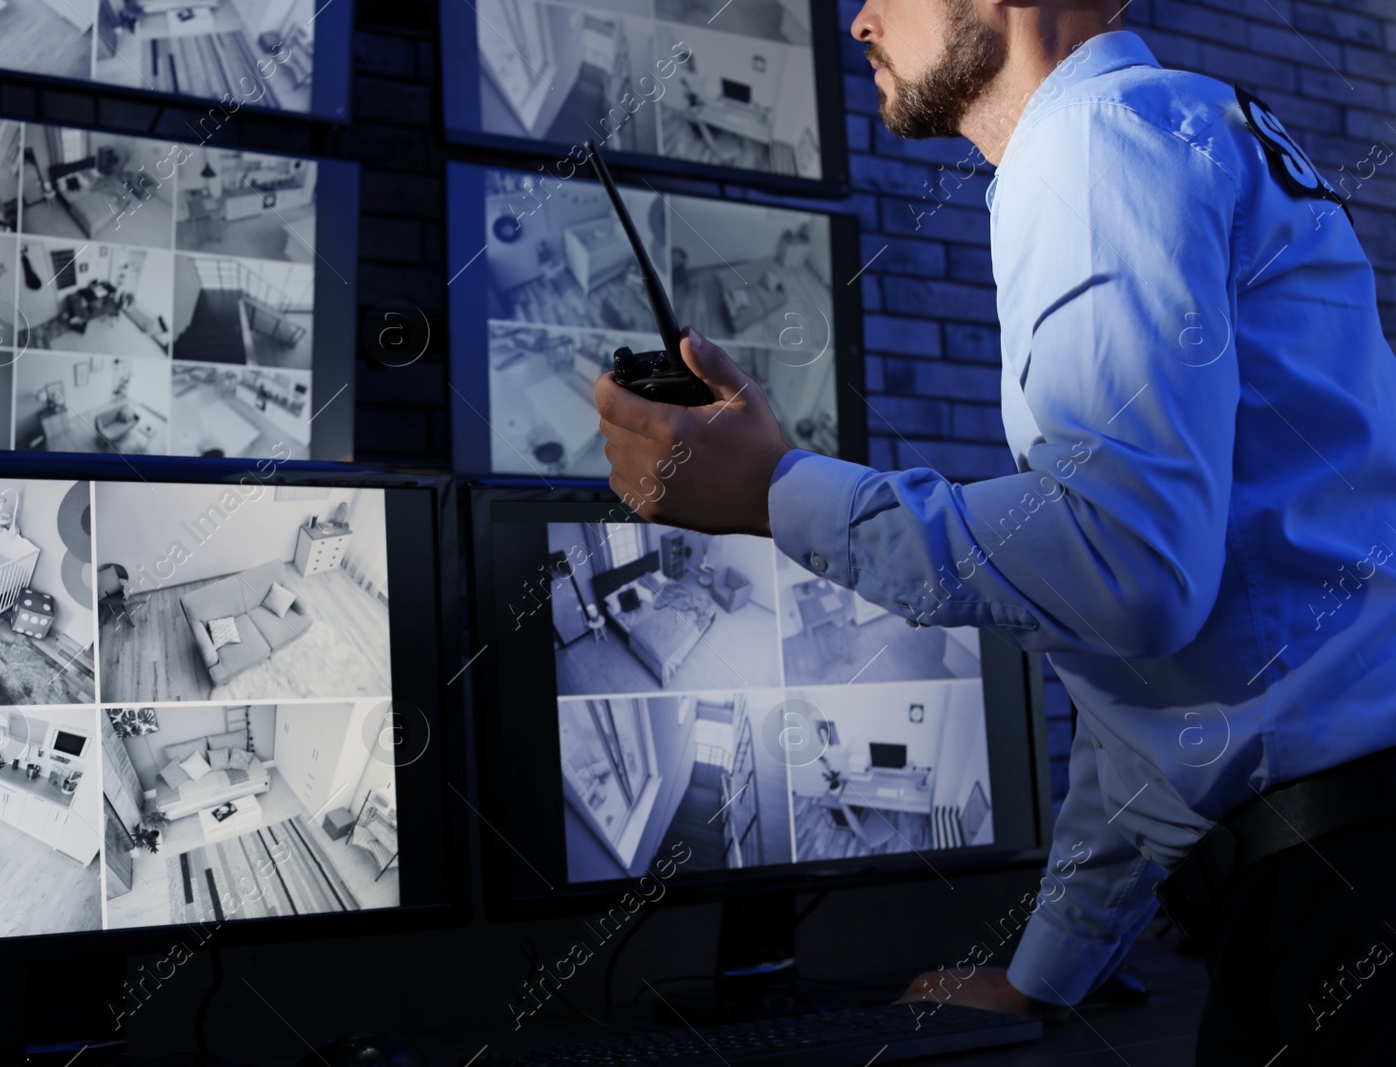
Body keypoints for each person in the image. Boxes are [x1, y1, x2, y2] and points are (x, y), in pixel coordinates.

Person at [592, 1, 1396, 1063]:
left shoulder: (1092, 142)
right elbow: (1162, 685)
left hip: (1339, 902)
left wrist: (773, 492)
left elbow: (1129, 572)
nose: (860, 21)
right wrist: (1040, 974)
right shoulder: (1182, 126)